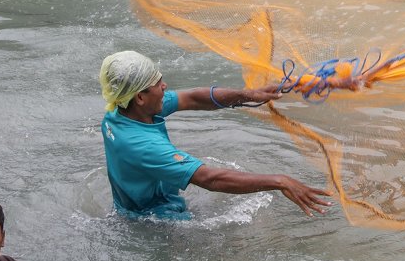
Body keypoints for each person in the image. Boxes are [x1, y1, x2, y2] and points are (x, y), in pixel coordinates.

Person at [98, 50, 333, 219]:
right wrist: (280, 181)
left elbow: (192, 98)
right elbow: (210, 179)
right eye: (158, 84)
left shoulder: (122, 111)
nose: (165, 86)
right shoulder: (142, 145)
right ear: (140, 97)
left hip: (133, 208)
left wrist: (249, 95)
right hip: (156, 221)